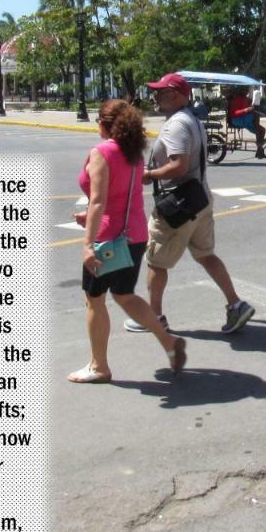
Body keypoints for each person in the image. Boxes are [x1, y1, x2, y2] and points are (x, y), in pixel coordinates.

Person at [125, 73, 255, 334]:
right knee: (206, 255)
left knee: (156, 263)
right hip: (199, 200)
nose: (156, 96)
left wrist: (149, 175)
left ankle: (155, 317)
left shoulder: (176, 125)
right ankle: (236, 304)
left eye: (161, 92)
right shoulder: (192, 120)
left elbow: (178, 165)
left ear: (176, 95)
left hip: (178, 206)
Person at [70, 99, 186, 383]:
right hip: (133, 234)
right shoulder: (133, 153)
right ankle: (168, 342)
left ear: (105, 124)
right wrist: (94, 216)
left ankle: (99, 366)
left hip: (107, 239)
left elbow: (98, 202)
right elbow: (120, 196)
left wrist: (87, 245)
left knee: (94, 300)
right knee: (124, 295)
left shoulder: (102, 152)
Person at [226, 85, 266, 158]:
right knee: (255, 117)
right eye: (245, 89)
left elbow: (252, 106)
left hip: (245, 120)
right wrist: (246, 110)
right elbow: (234, 113)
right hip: (236, 120)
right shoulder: (236, 99)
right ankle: (260, 147)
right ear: (240, 90)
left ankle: (260, 151)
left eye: (247, 89)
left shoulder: (245, 98)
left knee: (262, 130)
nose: (247, 91)